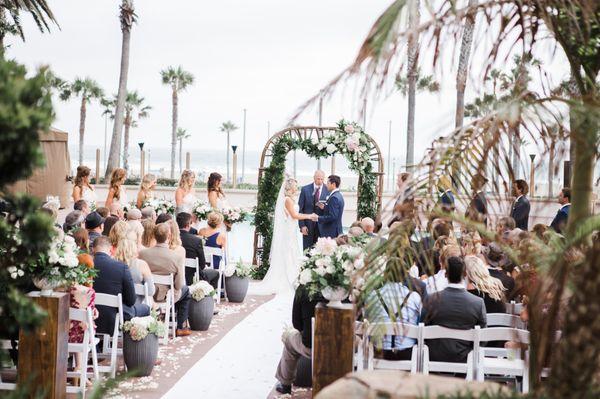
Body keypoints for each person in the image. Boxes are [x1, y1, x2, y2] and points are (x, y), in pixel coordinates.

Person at [251, 177, 318, 295]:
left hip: (291, 229)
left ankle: (293, 276)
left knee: (292, 251)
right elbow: (294, 215)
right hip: (288, 230)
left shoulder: (290, 199)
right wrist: (309, 216)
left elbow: (289, 214)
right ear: (291, 187)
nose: (297, 188)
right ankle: (288, 278)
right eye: (295, 186)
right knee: (288, 251)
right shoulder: (287, 199)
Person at [421, 256, 487, 363]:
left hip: (434, 357)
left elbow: (423, 326)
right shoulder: (477, 303)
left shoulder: (431, 299)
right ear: (465, 274)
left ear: (446, 274)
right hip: (465, 359)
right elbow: (482, 337)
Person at [139, 223, 191, 337]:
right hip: (166, 297)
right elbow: (179, 285)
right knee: (186, 291)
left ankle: (161, 317)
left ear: (154, 235)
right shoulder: (176, 257)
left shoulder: (142, 254)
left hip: (147, 296)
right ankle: (181, 327)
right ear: (169, 236)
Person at [92, 236, 149, 335]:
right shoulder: (121, 267)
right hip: (114, 318)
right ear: (110, 249)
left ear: (93, 249)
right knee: (146, 308)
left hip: (90, 317)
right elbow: (131, 300)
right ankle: (135, 346)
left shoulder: (85, 265)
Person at [274, 285, 324, 395]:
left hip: (312, 347)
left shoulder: (304, 287)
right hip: (345, 345)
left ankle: (285, 384)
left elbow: (297, 324)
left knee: (289, 338)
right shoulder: (345, 285)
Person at [177, 212, 219, 288]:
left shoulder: (172, 239)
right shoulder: (196, 240)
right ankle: (210, 298)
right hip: (193, 277)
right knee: (215, 273)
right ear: (188, 225)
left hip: (177, 276)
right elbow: (202, 264)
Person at [114, 231, 155, 307]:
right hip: (136, 306)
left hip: (116, 306)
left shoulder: (112, 263)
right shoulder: (142, 265)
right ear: (134, 247)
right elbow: (151, 291)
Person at [298, 170, 328, 250]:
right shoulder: (305, 189)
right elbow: (300, 209)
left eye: (322, 179)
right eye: (318, 179)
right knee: (307, 251)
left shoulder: (328, 190)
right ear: (314, 178)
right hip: (308, 226)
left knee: (321, 252)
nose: (320, 181)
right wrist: (302, 226)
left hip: (322, 227)